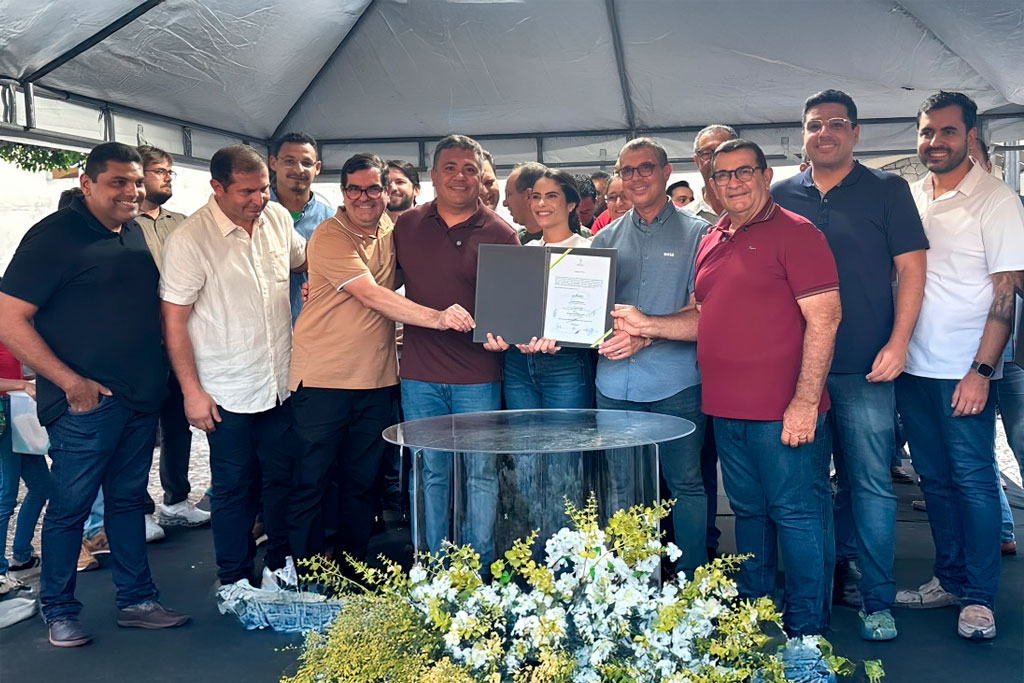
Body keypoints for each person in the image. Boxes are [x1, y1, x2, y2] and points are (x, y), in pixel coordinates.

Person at [0, 142, 188, 647]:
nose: (132, 191)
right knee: (71, 509)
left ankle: (137, 601)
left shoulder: (132, 232)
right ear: (87, 184)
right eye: (118, 182)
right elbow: (8, 318)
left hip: (139, 399)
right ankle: (59, 610)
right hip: (85, 406)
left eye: (136, 182)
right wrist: (69, 382)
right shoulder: (55, 236)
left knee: (127, 504)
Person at [772, 89, 929, 641]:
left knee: (870, 487)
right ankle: (814, 598)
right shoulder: (780, 194)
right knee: (809, 489)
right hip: (798, 375)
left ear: (856, 133)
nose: (825, 133)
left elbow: (912, 270)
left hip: (867, 367)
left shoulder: (887, 189)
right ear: (803, 134)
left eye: (837, 124)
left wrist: (899, 342)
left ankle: (877, 600)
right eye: (815, 124)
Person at [288, 153, 473, 569]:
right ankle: (304, 575)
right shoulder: (329, 235)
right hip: (323, 380)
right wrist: (438, 318)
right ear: (343, 192)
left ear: (387, 191)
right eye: (354, 189)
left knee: (362, 484)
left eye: (373, 188)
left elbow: (418, 272)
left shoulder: (392, 230)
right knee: (311, 481)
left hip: (377, 380)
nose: (364, 197)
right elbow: (372, 294)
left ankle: (351, 571)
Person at [697, 138, 840, 642]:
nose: (733, 182)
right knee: (750, 514)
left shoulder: (797, 233)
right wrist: (646, 325)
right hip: (726, 409)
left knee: (797, 516)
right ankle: (756, 617)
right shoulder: (712, 236)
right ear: (712, 183)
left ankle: (807, 636)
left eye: (744, 171)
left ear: (765, 175)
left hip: (782, 413)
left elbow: (825, 319)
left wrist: (805, 402)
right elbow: (704, 316)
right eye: (722, 174)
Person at [894, 92, 1024, 641]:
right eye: (926, 132)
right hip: (911, 367)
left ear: (970, 136)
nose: (934, 141)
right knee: (937, 481)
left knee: (972, 481)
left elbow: (1006, 294)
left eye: (947, 131)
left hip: (963, 370)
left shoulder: (996, 199)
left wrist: (982, 371)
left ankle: (978, 597)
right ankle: (948, 579)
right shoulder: (912, 195)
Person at [161, 144, 307, 588]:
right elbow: (174, 322)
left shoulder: (278, 218)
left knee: (283, 480)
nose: (258, 199)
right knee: (234, 488)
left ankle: (282, 567)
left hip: (280, 383)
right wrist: (191, 392)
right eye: (247, 191)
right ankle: (235, 579)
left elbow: (304, 262)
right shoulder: (190, 239)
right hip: (225, 391)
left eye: (263, 189)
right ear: (217, 187)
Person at [394, 134, 519, 567]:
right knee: (431, 470)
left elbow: (513, 310)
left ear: (482, 177)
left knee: (479, 472)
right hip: (419, 375)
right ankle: (432, 566)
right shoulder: (406, 225)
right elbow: (384, 284)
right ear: (433, 175)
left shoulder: (502, 233)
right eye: (450, 167)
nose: (460, 176)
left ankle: (476, 570)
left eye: (470, 169)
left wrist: (510, 331)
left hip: (478, 376)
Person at [591, 137, 710, 578]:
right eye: (627, 171)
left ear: (666, 171)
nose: (636, 177)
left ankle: (693, 584)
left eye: (646, 168)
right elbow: (589, 315)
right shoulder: (603, 239)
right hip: (613, 386)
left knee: (686, 486)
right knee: (623, 490)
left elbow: (704, 311)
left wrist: (644, 336)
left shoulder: (699, 234)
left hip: (676, 383)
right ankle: (634, 586)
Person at [135, 145, 210, 530]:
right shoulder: (123, 224)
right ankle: (138, 510)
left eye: (170, 172)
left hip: (182, 340)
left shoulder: (182, 223)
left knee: (180, 425)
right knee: (142, 430)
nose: (167, 178)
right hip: (142, 344)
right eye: (160, 171)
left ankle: (176, 501)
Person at [268, 132, 334, 322]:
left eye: (306, 163)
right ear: (273, 163)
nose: (298, 169)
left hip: (316, 325)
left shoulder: (331, 221)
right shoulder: (255, 213)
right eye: (289, 161)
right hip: (263, 326)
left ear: (317, 167)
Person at [0, 342, 50, 584]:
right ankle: (1, 573)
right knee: (6, 494)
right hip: (3, 413)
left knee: (42, 486)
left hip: (17, 409)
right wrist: (22, 385)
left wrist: (29, 381)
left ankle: (22, 555)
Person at [686, 124, 738, 222]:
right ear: (697, 161)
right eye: (706, 153)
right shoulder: (684, 218)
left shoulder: (757, 212)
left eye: (723, 151)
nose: (715, 159)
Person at [504, 161, 547, 245]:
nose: (505, 203)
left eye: (509, 194)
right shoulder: (514, 240)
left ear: (528, 195)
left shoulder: (565, 242)